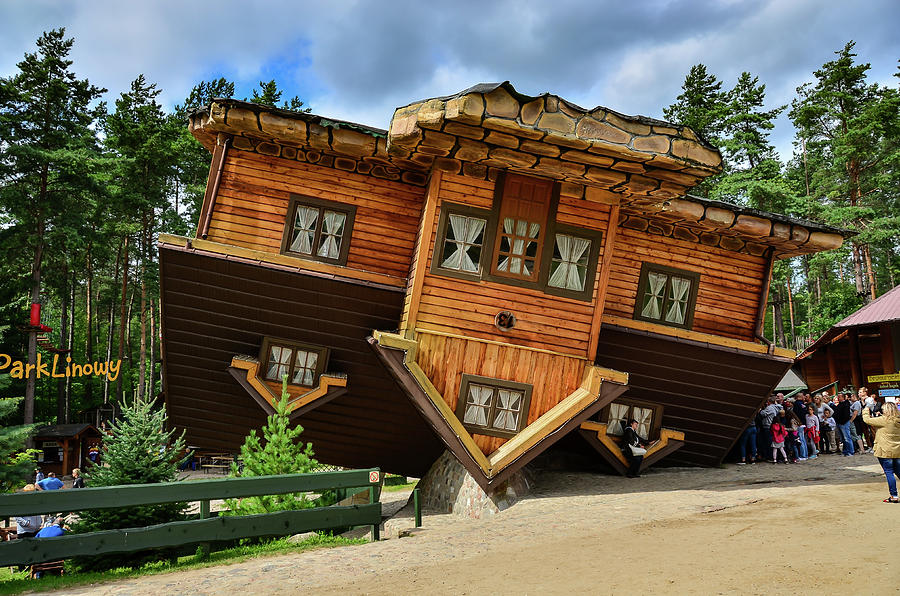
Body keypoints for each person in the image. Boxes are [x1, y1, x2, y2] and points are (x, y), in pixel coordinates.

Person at [862, 401, 900, 503]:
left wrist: (866, 409)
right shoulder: (898, 420)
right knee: (898, 471)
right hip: (897, 450)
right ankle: (894, 495)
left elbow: (867, 420)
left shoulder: (884, 420)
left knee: (889, 472)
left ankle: (894, 495)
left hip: (885, 450)